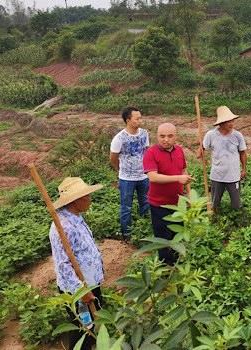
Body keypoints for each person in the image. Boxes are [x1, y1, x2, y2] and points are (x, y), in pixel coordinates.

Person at [49, 177, 105, 350]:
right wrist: (81, 292)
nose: (90, 199)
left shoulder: (76, 217)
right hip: (79, 289)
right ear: (75, 201)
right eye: (86, 196)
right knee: (83, 329)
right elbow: (63, 265)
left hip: (89, 283)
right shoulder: (63, 227)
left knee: (93, 323)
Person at [143, 123, 192, 266]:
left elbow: (184, 172)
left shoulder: (179, 151)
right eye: (162, 136)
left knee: (177, 235)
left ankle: (176, 263)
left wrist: (188, 194)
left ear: (176, 136)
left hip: (178, 204)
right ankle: (166, 268)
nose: (166, 139)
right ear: (157, 136)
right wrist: (177, 178)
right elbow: (153, 177)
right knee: (163, 239)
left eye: (170, 136)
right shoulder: (151, 153)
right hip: (159, 204)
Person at [110, 106, 150, 240]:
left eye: (140, 117)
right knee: (126, 207)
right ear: (128, 120)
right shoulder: (119, 138)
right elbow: (113, 158)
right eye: (137, 118)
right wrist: (120, 170)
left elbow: (147, 151)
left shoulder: (144, 133)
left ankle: (145, 229)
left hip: (143, 176)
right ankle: (126, 234)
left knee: (145, 202)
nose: (140, 120)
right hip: (126, 178)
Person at [201, 106, 247, 211]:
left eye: (232, 121)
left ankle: (236, 218)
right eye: (228, 122)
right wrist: (201, 151)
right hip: (217, 175)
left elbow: (243, 153)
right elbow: (203, 147)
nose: (232, 124)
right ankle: (215, 217)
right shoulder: (211, 135)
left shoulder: (238, 135)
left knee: (236, 203)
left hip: (233, 175)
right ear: (221, 123)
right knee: (215, 202)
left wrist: (244, 169)